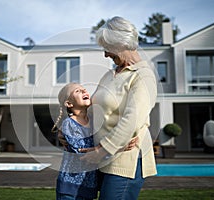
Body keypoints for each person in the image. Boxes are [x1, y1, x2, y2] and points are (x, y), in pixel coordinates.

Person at [79, 16, 158, 199]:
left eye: (107, 48)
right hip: (102, 159)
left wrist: (103, 150)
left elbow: (133, 119)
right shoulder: (109, 75)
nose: (105, 55)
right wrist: (71, 127)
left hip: (125, 160)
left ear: (121, 43)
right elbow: (93, 112)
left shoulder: (143, 76)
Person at [52, 82, 98, 200]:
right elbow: (81, 151)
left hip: (89, 186)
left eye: (84, 89)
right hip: (70, 187)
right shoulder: (69, 124)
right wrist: (109, 148)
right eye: (77, 91)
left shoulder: (94, 122)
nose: (84, 91)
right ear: (69, 103)